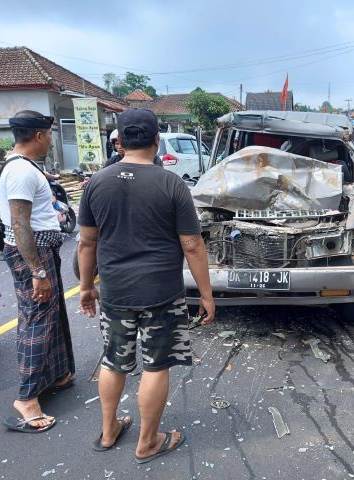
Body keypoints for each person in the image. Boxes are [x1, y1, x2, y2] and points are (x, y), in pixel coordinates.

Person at [78, 108, 215, 463]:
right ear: (157, 140)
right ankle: (148, 441)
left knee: (113, 361)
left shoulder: (96, 183)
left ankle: (109, 432)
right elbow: (193, 245)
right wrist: (206, 294)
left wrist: (85, 287)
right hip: (160, 294)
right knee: (156, 365)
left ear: (119, 141)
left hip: (115, 292)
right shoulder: (172, 184)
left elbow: (86, 243)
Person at [0, 110, 75, 434]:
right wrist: (38, 272)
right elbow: (19, 224)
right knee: (37, 321)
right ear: (40, 136)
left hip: (42, 251)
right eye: (49, 135)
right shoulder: (21, 171)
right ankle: (27, 399)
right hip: (32, 254)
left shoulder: (23, 166)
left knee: (52, 315)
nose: (50, 140)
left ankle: (55, 374)